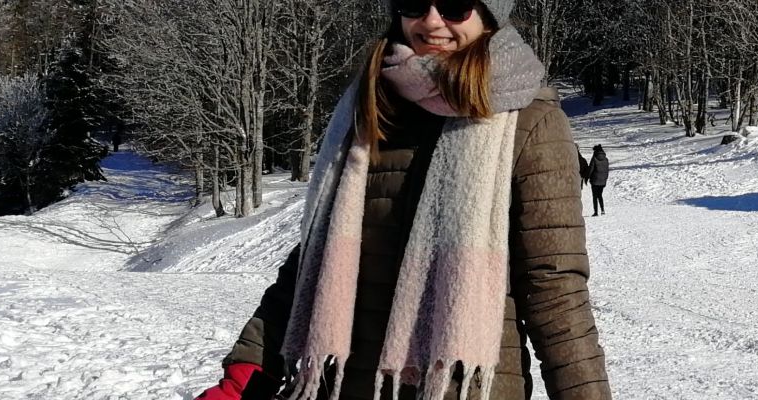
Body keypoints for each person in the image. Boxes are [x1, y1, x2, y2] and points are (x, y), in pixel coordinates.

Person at [194, 0, 609, 399]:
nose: (430, 21)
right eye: (413, 3)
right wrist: (245, 376)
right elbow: (314, 263)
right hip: (344, 385)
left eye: (453, 4)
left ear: (487, 13)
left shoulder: (530, 121)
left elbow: (554, 290)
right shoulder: (370, 106)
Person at [587, 145, 610, 216]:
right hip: (603, 181)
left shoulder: (594, 158)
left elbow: (590, 169)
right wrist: (605, 179)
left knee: (595, 196)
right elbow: (607, 170)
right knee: (600, 195)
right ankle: (602, 210)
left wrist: (588, 177)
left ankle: (596, 212)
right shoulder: (606, 159)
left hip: (595, 180)